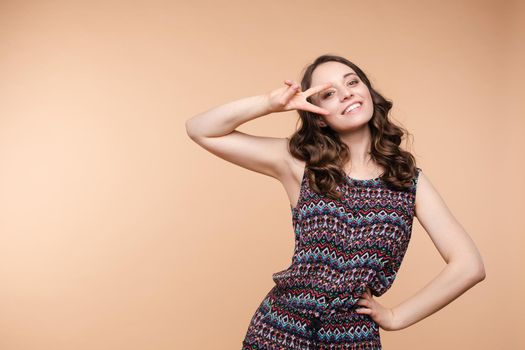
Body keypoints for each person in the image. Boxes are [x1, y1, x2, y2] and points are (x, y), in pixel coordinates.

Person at [185, 54, 486, 350]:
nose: (346, 94)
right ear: (318, 115)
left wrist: (396, 316)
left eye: (352, 82)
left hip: (353, 338)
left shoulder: (407, 181)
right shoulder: (299, 164)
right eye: (328, 94)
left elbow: (469, 265)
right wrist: (270, 103)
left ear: (368, 91)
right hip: (281, 331)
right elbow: (201, 129)